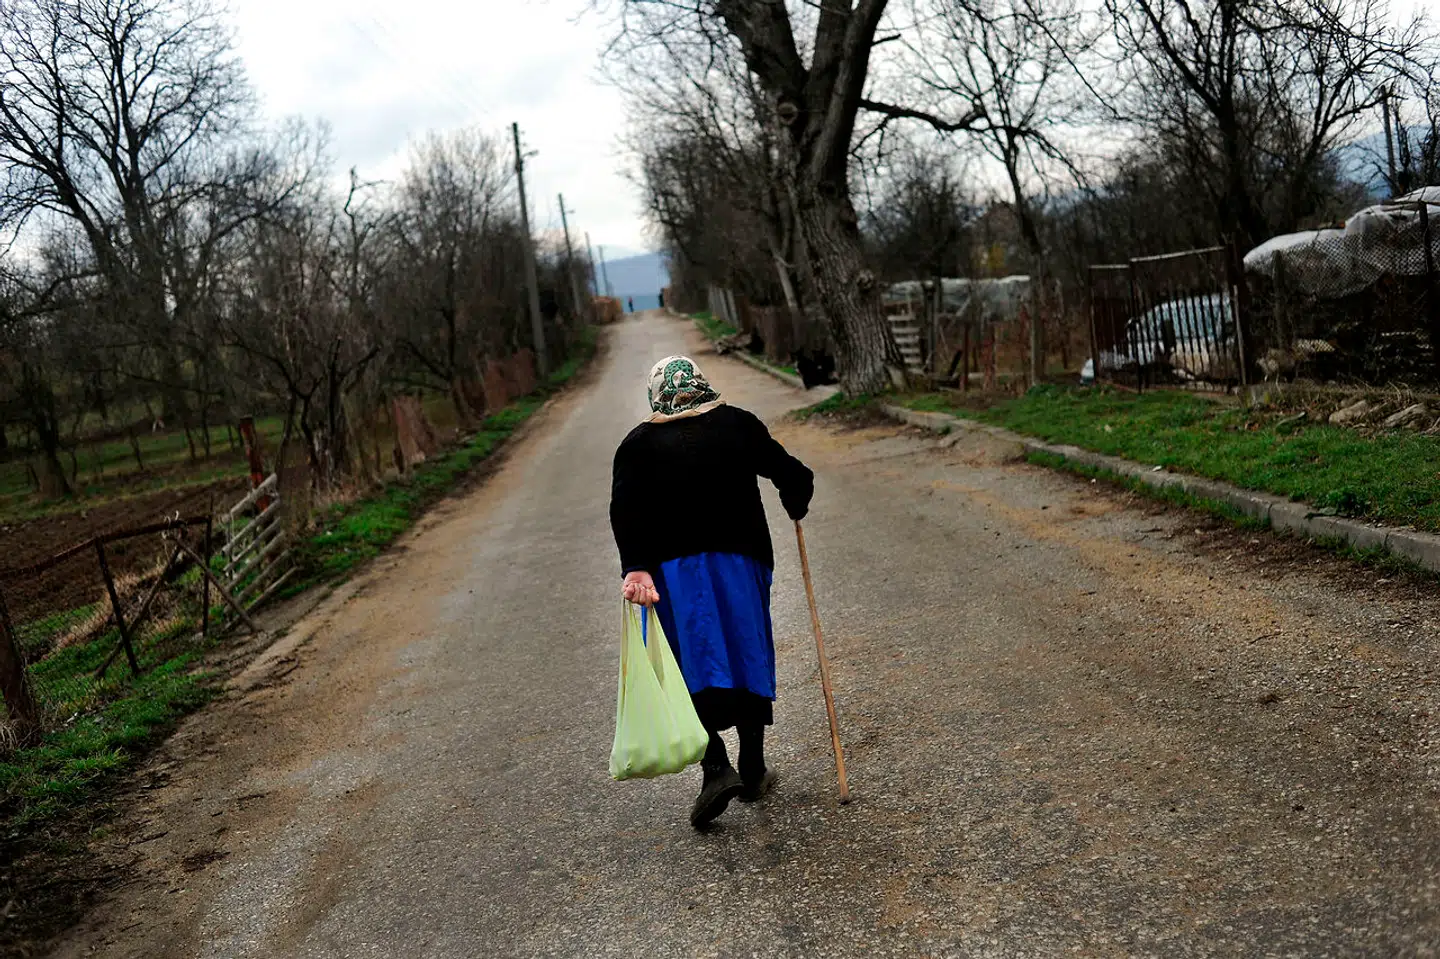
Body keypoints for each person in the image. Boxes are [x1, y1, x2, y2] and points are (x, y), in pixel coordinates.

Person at [610, 356, 814, 828]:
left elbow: (626, 511)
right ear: (703, 386)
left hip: (673, 575)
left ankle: (716, 767)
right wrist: (794, 499)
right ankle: (755, 767)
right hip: (739, 562)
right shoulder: (737, 424)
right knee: (746, 652)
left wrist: (636, 568)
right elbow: (792, 473)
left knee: (692, 663)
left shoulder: (637, 446)